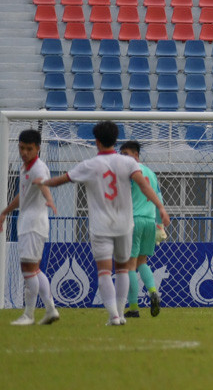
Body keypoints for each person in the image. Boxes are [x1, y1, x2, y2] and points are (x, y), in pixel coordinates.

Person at [43, 120, 169, 328]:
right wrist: (161, 209)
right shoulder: (129, 164)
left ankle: (115, 316)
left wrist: (41, 183)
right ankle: (124, 311)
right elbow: (145, 187)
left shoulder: (90, 164)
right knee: (125, 268)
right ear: (115, 140)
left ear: (97, 141)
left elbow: (62, 179)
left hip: (102, 225)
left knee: (104, 271)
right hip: (126, 223)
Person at [1, 129, 57, 326]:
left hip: (33, 224)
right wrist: (6, 211)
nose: (24, 152)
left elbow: (43, 183)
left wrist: (50, 199)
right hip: (29, 222)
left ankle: (29, 315)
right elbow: (22, 196)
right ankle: (50, 309)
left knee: (27, 269)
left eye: (29, 149)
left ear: (38, 149)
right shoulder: (25, 167)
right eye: (22, 148)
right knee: (34, 269)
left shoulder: (38, 169)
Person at [119, 140, 163, 319]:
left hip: (134, 221)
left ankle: (134, 308)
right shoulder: (151, 174)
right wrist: (159, 224)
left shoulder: (128, 174)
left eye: (127, 155)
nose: (123, 159)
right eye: (121, 155)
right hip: (150, 221)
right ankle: (153, 291)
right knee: (142, 262)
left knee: (129, 264)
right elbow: (158, 197)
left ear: (136, 156)